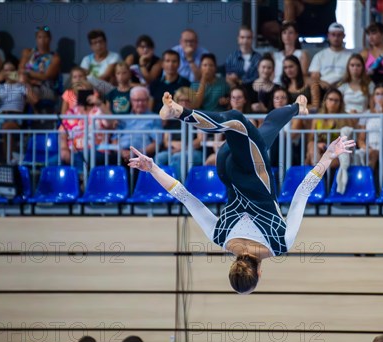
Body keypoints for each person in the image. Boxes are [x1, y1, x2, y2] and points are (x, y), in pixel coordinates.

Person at [128, 93, 355, 294]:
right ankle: (297, 107)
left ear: (260, 273)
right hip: (226, 168)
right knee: (266, 130)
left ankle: (179, 113)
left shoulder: (280, 243)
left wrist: (327, 158)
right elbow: (186, 197)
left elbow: (301, 195)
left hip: (253, 171)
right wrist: (153, 168)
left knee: (237, 120)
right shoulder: (220, 238)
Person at [155, 87, 203, 180]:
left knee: (178, 157)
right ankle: (159, 188)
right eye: (181, 100)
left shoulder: (197, 117)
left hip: (194, 151)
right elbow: (166, 141)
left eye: (187, 100)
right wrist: (174, 145)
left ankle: (179, 189)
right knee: (159, 157)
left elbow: (200, 140)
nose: (184, 103)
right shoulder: (172, 117)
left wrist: (184, 147)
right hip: (174, 149)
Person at [111, 86, 160, 165]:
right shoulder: (123, 118)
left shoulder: (154, 118)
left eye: (143, 100)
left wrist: (137, 153)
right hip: (121, 154)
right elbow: (114, 140)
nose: (140, 103)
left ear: (148, 101)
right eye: (137, 100)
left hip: (143, 154)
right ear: (131, 101)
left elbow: (156, 143)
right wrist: (122, 152)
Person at [19, 25, 61, 111]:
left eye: (45, 37)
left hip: (46, 88)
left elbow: (46, 76)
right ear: (36, 39)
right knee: (14, 87)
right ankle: (36, 107)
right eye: (40, 37)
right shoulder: (28, 52)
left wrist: (28, 73)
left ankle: (36, 112)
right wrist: (30, 81)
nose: (42, 40)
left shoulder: (54, 58)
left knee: (21, 89)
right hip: (27, 83)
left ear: (50, 39)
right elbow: (20, 70)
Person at [308, 22, 353, 91]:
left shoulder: (351, 56)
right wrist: (325, 85)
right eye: (333, 35)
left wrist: (337, 85)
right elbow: (314, 77)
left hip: (345, 88)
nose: (336, 38)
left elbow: (352, 76)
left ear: (344, 36)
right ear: (328, 36)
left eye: (339, 35)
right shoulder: (319, 56)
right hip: (323, 89)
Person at [80, 30, 120, 95]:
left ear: (106, 42)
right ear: (91, 46)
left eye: (100, 42)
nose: (98, 45)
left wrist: (90, 80)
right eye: (95, 43)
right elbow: (82, 77)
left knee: (89, 78)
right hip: (91, 89)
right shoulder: (86, 59)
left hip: (108, 89)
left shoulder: (114, 57)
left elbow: (105, 77)